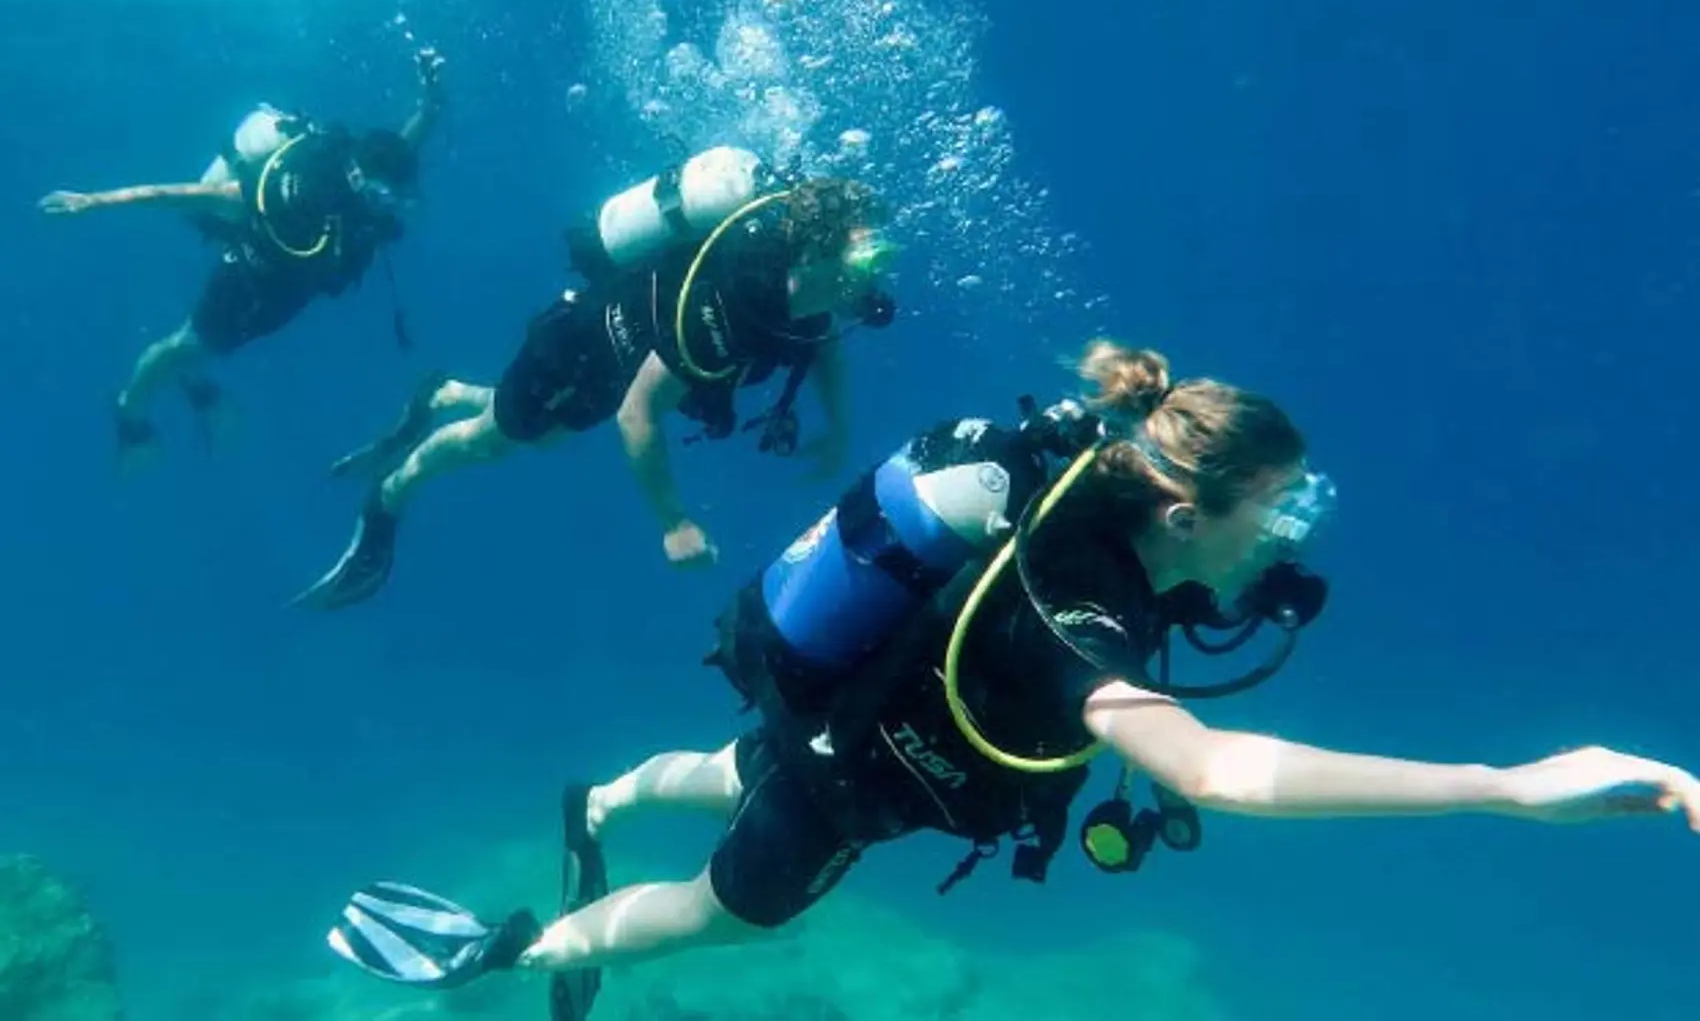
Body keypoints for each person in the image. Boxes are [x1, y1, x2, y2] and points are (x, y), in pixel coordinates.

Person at [320, 339, 1700, 1018]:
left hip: (836, 705)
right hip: (853, 775)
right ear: (1180, 511)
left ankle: (608, 790)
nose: (1280, 540)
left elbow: (1178, 609)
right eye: (1269, 512)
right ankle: (507, 950)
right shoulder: (1077, 601)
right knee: (726, 916)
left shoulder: (1088, 495)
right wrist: (1504, 786)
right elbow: (1216, 769)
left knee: (746, 765)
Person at [292, 163, 898, 611]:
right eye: (869, 260)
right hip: (575, 349)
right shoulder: (730, 305)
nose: (877, 278)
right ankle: (387, 500)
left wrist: (839, 428)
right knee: (493, 440)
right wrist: (674, 524)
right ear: (817, 253)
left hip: (618, 365)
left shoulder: (811, 300)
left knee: (544, 438)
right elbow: (637, 417)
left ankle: (443, 394)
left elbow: (819, 349)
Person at [36, 48, 447, 459]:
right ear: (358, 179)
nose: (388, 206)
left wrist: (429, 103)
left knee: (214, 345)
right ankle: (131, 414)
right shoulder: (291, 194)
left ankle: (193, 377)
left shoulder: (367, 182)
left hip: (290, 292)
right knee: (183, 344)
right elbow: (187, 194)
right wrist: (93, 201)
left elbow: (405, 145)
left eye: (394, 199)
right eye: (381, 196)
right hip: (246, 280)